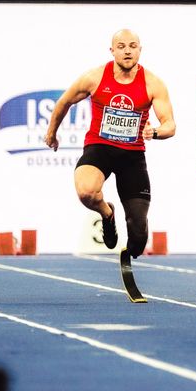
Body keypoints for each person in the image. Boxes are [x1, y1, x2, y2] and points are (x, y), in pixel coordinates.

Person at [41, 30, 178, 302]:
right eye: (121, 46)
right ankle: (107, 213)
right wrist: (52, 132)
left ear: (140, 50)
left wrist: (157, 132)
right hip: (100, 148)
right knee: (86, 191)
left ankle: (131, 242)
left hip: (132, 156)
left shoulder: (153, 84)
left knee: (138, 235)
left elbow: (170, 124)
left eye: (133, 46)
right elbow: (64, 102)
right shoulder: (94, 77)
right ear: (112, 51)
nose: (127, 51)